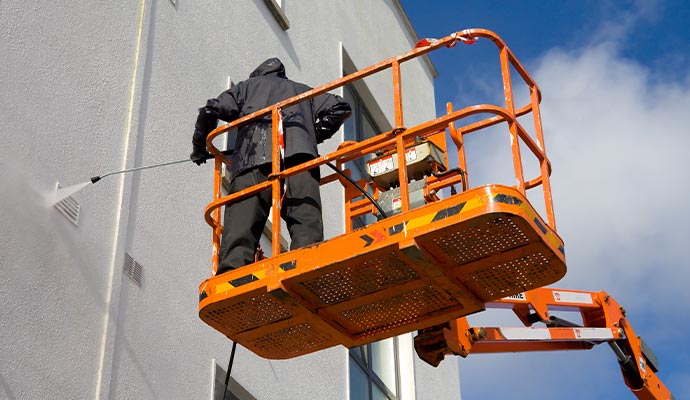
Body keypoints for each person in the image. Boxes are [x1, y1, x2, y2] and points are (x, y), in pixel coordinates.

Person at [191, 57, 351, 275]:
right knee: (306, 222)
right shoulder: (302, 91)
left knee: (241, 224)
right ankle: (305, 267)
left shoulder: (247, 87)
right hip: (299, 158)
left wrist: (199, 148)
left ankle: (232, 275)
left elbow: (210, 111)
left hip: (252, 159)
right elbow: (341, 107)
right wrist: (311, 136)